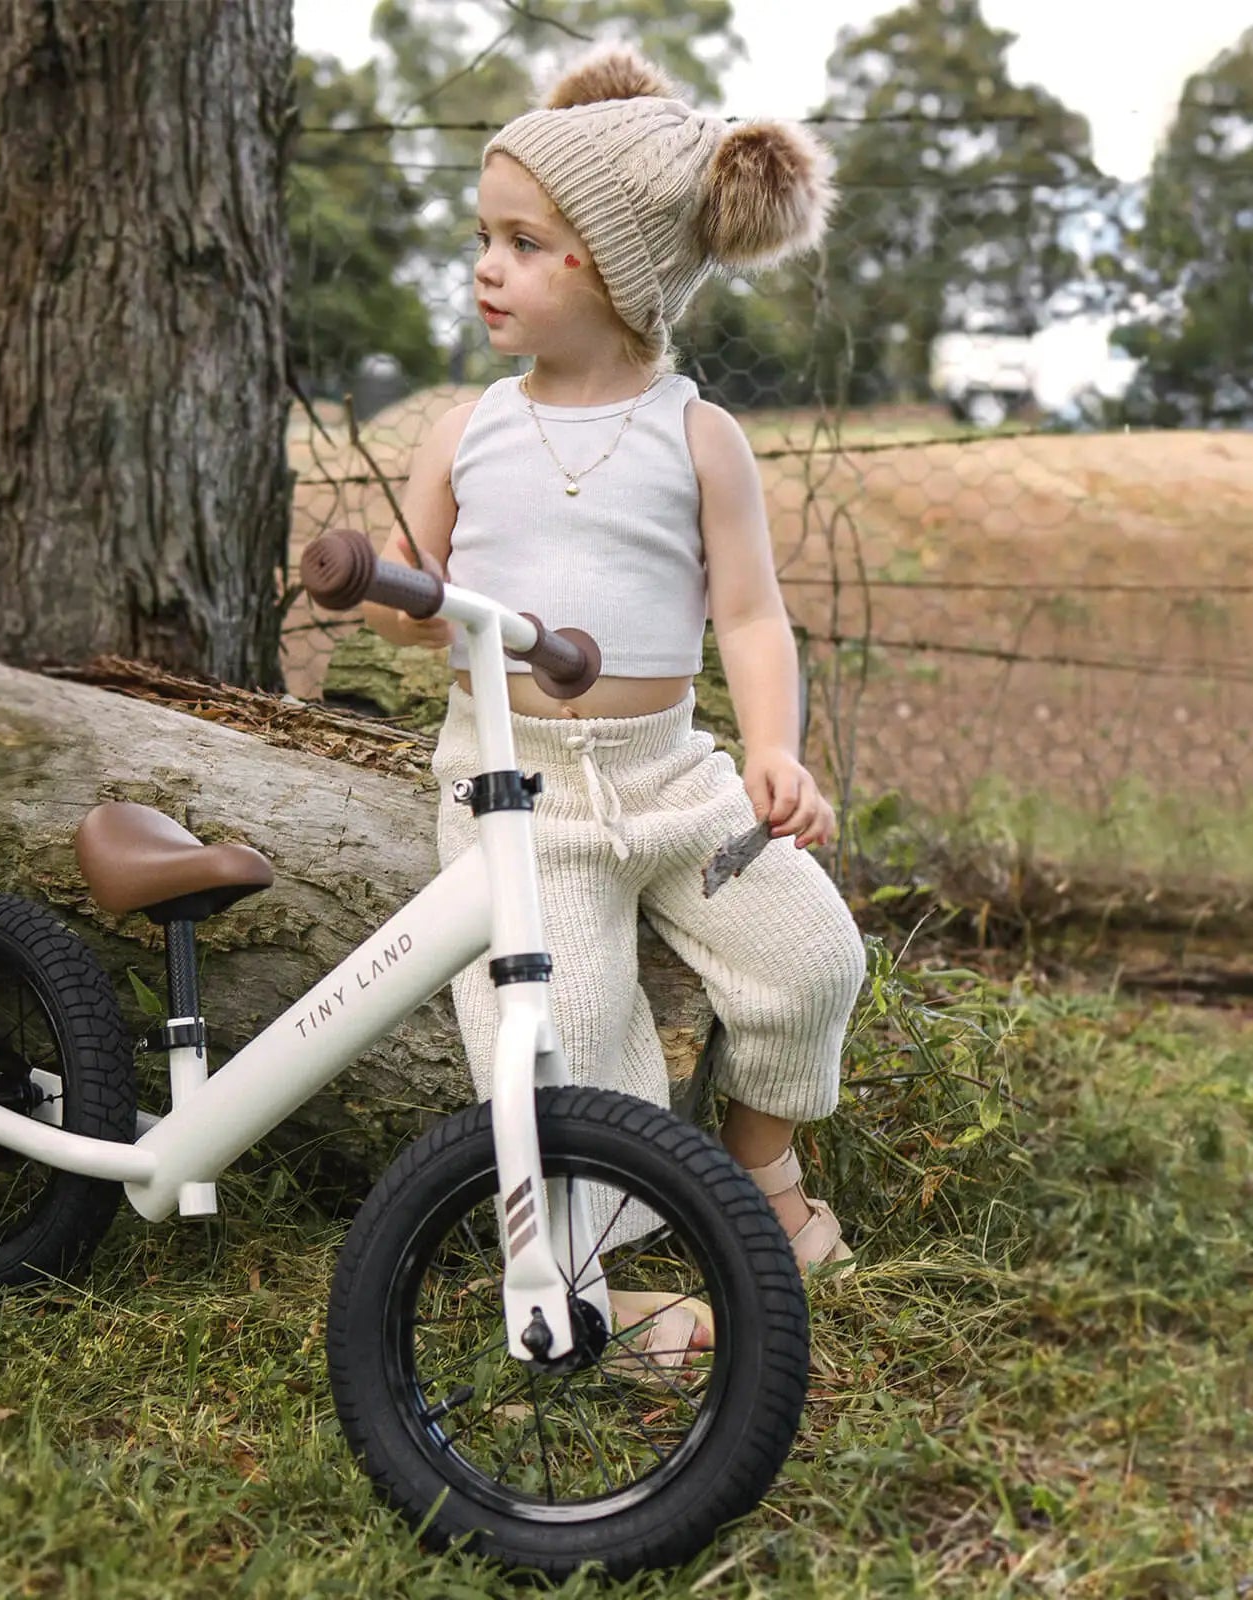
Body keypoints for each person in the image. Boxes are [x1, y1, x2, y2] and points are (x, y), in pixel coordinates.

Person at [361, 45, 867, 1360]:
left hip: (672, 773)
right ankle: (597, 1277)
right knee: (564, 1032)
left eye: (525, 242)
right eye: (484, 236)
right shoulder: (462, 430)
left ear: (622, 267)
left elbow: (748, 614)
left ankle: (765, 1183)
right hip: (516, 788)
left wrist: (772, 751)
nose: (486, 266)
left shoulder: (697, 435)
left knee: (810, 957)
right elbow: (402, 592)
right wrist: (383, 589)